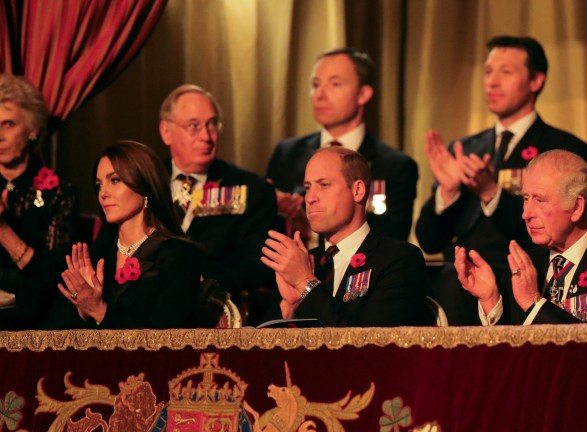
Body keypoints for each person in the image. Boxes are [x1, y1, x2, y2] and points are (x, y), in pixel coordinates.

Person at [415, 35, 587, 324]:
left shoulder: (561, 148)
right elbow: (429, 239)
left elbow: (557, 231)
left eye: (506, 72)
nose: (492, 82)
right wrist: (447, 192)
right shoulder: (466, 148)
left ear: (536, 81)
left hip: (516, 273)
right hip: (457, 276)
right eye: (488, 72)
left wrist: (490, 193)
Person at [455, 150, 587, 324]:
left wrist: (535, 303)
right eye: (526, 199)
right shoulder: (523, 266)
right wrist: (490, 300)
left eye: (540, 200)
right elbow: (504, 356)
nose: (526, 213)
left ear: (576, 207)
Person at [261, 147, 426, 326]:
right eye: (308, 187)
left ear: (358, 190)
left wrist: (305, 283)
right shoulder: (304, 262)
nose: (310, 198)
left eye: (324, 185)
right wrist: (290, 310)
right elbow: (264, 349)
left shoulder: (398, 259)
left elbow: (371, 346)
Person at [266, 48, 418, 241]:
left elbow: (392, 239)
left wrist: (311, 230)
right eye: (315, 84)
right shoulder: (287, 155)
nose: (319, 94)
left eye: (335, 84)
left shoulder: (394, 166)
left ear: (363, 93)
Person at [52, 141, 202, 329]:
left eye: (114, 181)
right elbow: (54, 329)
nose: (102, 193)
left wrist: (100, 312)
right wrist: (82, 309)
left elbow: (167, 339)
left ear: (145, 186)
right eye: (99, 185)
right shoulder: (100, 250)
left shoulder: (179, 255)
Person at [159, 84, 278, 301]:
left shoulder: (251, 189)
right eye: (194, 126)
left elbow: (256, 265)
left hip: (214, 308)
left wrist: (197, 279)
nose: (206, 136)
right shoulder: (144, 183)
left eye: (212, 125)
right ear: (166, 132)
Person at [0, 74, 78, 329]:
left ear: (32, 129)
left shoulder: (59, 194)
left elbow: (54, 281)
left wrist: (3, 231)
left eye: (8, 124)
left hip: (33, 321)